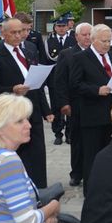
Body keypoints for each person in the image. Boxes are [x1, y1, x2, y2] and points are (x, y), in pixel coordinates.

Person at [0, 94, 60, 223]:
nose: (29, 125)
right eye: (19, 121)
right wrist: (53, 206)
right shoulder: (8, 162)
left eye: (27, 119)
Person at [0, 18, 53, 188]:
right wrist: (12, 89)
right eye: (14, 32)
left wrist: (46, 110)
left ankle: (39, 188)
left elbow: (36, 83)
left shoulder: (29, 52)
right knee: (18, 154)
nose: (19, 36)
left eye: (21, 31)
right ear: (3, 34)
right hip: (12, 113)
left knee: (38, 152)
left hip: (33, 110)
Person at [71, 24, 112, 192]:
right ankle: (91, 190)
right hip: (92, 116)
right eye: (104, 41)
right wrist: (96, 90)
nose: (107, 44)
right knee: (92, 155)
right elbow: (75, 85)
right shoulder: (80, 58)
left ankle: (110, 187)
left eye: (109, 41)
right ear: (93, 40)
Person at [53, 22, 92, 187]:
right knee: (77, 140)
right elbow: (59, 81)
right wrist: (63, 103)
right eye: (84, 35)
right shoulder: (67, 54)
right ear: (76, 37)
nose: (88, 37)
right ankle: (76, 173)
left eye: (90, 34)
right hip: (75, 105)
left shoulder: (97, 53)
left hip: (94, 104)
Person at [46, 16, 76, 146]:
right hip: (54, 78)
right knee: (56, 107)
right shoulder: (49, 41)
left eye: (63, 26)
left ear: (67, 27)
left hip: (69, 78)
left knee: (70, 106)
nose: (61, 29)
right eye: (59, 26)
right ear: (55, 27)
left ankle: (69, 133)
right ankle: (58, 133)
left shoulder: (72, 39)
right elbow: (48, 58)